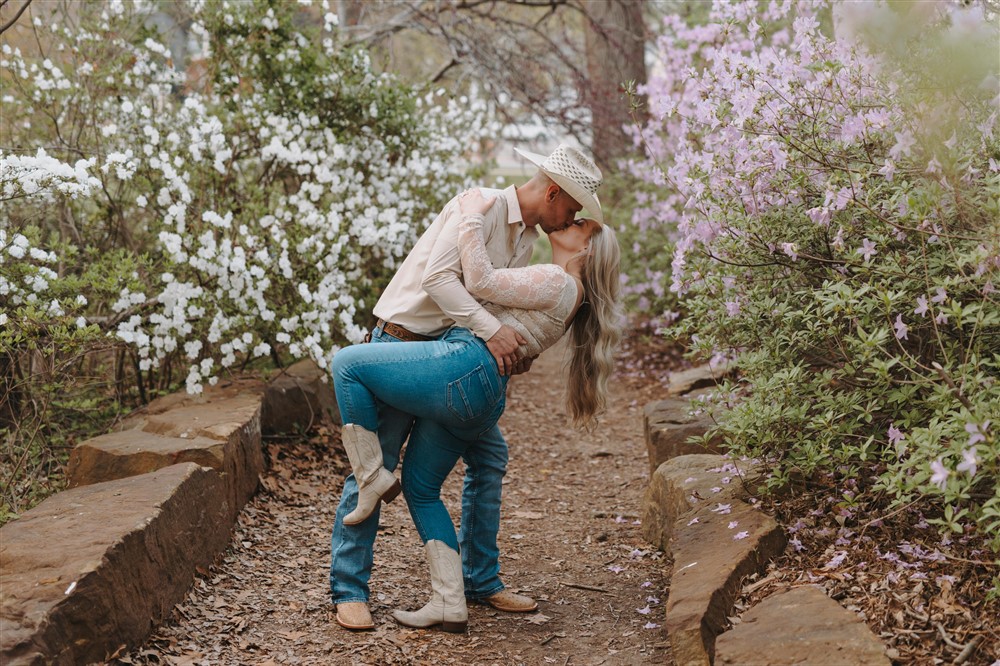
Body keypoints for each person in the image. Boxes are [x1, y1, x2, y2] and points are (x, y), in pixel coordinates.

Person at [329, 144, 606, 631]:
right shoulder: (477, 206)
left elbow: (504, 303)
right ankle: (350, 590)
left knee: (487, 457)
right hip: (404, 342)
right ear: (554, 192)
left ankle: (478, 580)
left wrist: (513, 348)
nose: (573, 216)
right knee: (374, 467)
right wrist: (492, 331)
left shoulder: (526, 241)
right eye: (573, 207)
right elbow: (441, 279)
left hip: (450, 363)